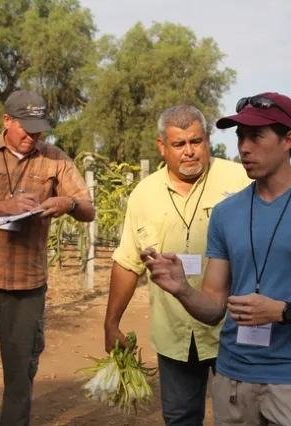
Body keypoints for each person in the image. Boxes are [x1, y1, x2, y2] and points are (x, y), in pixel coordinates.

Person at [142, 92, 291, 426]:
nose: (244, 147)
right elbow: (215, 308)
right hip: (231, 380)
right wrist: (182, 288)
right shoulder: (226, 213)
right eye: (240, 137)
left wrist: (282, 311)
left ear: (288, 139)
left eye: (256, 136)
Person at [0, 90, 95, 426]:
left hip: (27, 288)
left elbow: (87, 208)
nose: (32, 135)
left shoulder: (55, 159)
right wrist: (2, 207)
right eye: (25, 127)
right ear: (6, 121)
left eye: (39, 128)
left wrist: (66, 204)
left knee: (21, 377)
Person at [104, 104, 251, 426]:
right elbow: (128, 261)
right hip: (174, 332)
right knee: (180, 418)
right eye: (179, 144)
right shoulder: (144, 194)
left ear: (208, 140)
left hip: (234, 330)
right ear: (162, 146)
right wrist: (111, 322)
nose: (189, 152)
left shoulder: (240, 180)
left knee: (241, 417)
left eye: (196, 142)